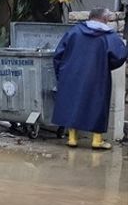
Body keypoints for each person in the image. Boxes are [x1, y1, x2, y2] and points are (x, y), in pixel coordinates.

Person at [53, 8, 128, 150]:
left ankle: (72, 138)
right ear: (105, 19)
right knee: (97, 105)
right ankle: (97, 140)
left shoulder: (74, 32)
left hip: (71, 75)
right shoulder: (108, 36)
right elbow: (120, 56)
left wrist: (61, 74)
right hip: (98, 76)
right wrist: (107, 66)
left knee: (72, 104)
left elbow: (58, 55)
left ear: (90, 17)